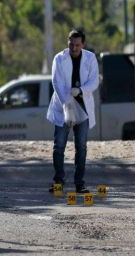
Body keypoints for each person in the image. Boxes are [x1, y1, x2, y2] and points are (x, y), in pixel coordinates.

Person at [47, 29, 99, 193]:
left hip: (83, 108)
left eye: (77, 45)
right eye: (71, 44)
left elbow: (94, 81)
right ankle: (58, 181)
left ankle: (79, 183)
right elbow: (56, 82)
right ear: (67, 42)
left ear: (83, 44)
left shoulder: (90, 58)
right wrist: (67, 103)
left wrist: (81, 90)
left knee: (81, 146)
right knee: (59, 145)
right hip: (63, 106)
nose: (74, 48)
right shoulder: (59, 58)